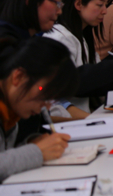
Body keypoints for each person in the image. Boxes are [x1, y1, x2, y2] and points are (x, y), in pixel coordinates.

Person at [0, 36, 79, 181]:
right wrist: (37, 152)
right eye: (43, 93)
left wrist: (32, 143)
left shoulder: (10, 113)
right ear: (18, 77)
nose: (47, 105)